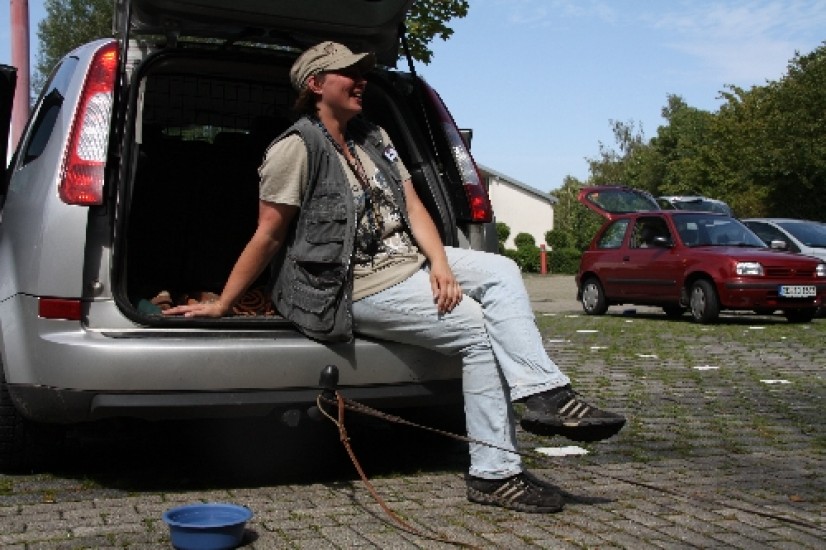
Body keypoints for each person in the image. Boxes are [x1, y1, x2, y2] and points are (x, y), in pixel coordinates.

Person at [164, 41, 626, 514]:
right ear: (316, 84)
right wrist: (224, 303)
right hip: (352, 284)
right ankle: (495, 474)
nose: (361, 80)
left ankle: (545, 394)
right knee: (479, 330)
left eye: (362, 72)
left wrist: (440, 264)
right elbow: (268, 235)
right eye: (348, 73)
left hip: (407, 261)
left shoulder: (373, 136)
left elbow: (413, 206)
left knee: (503, 269)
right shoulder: (294, 149)